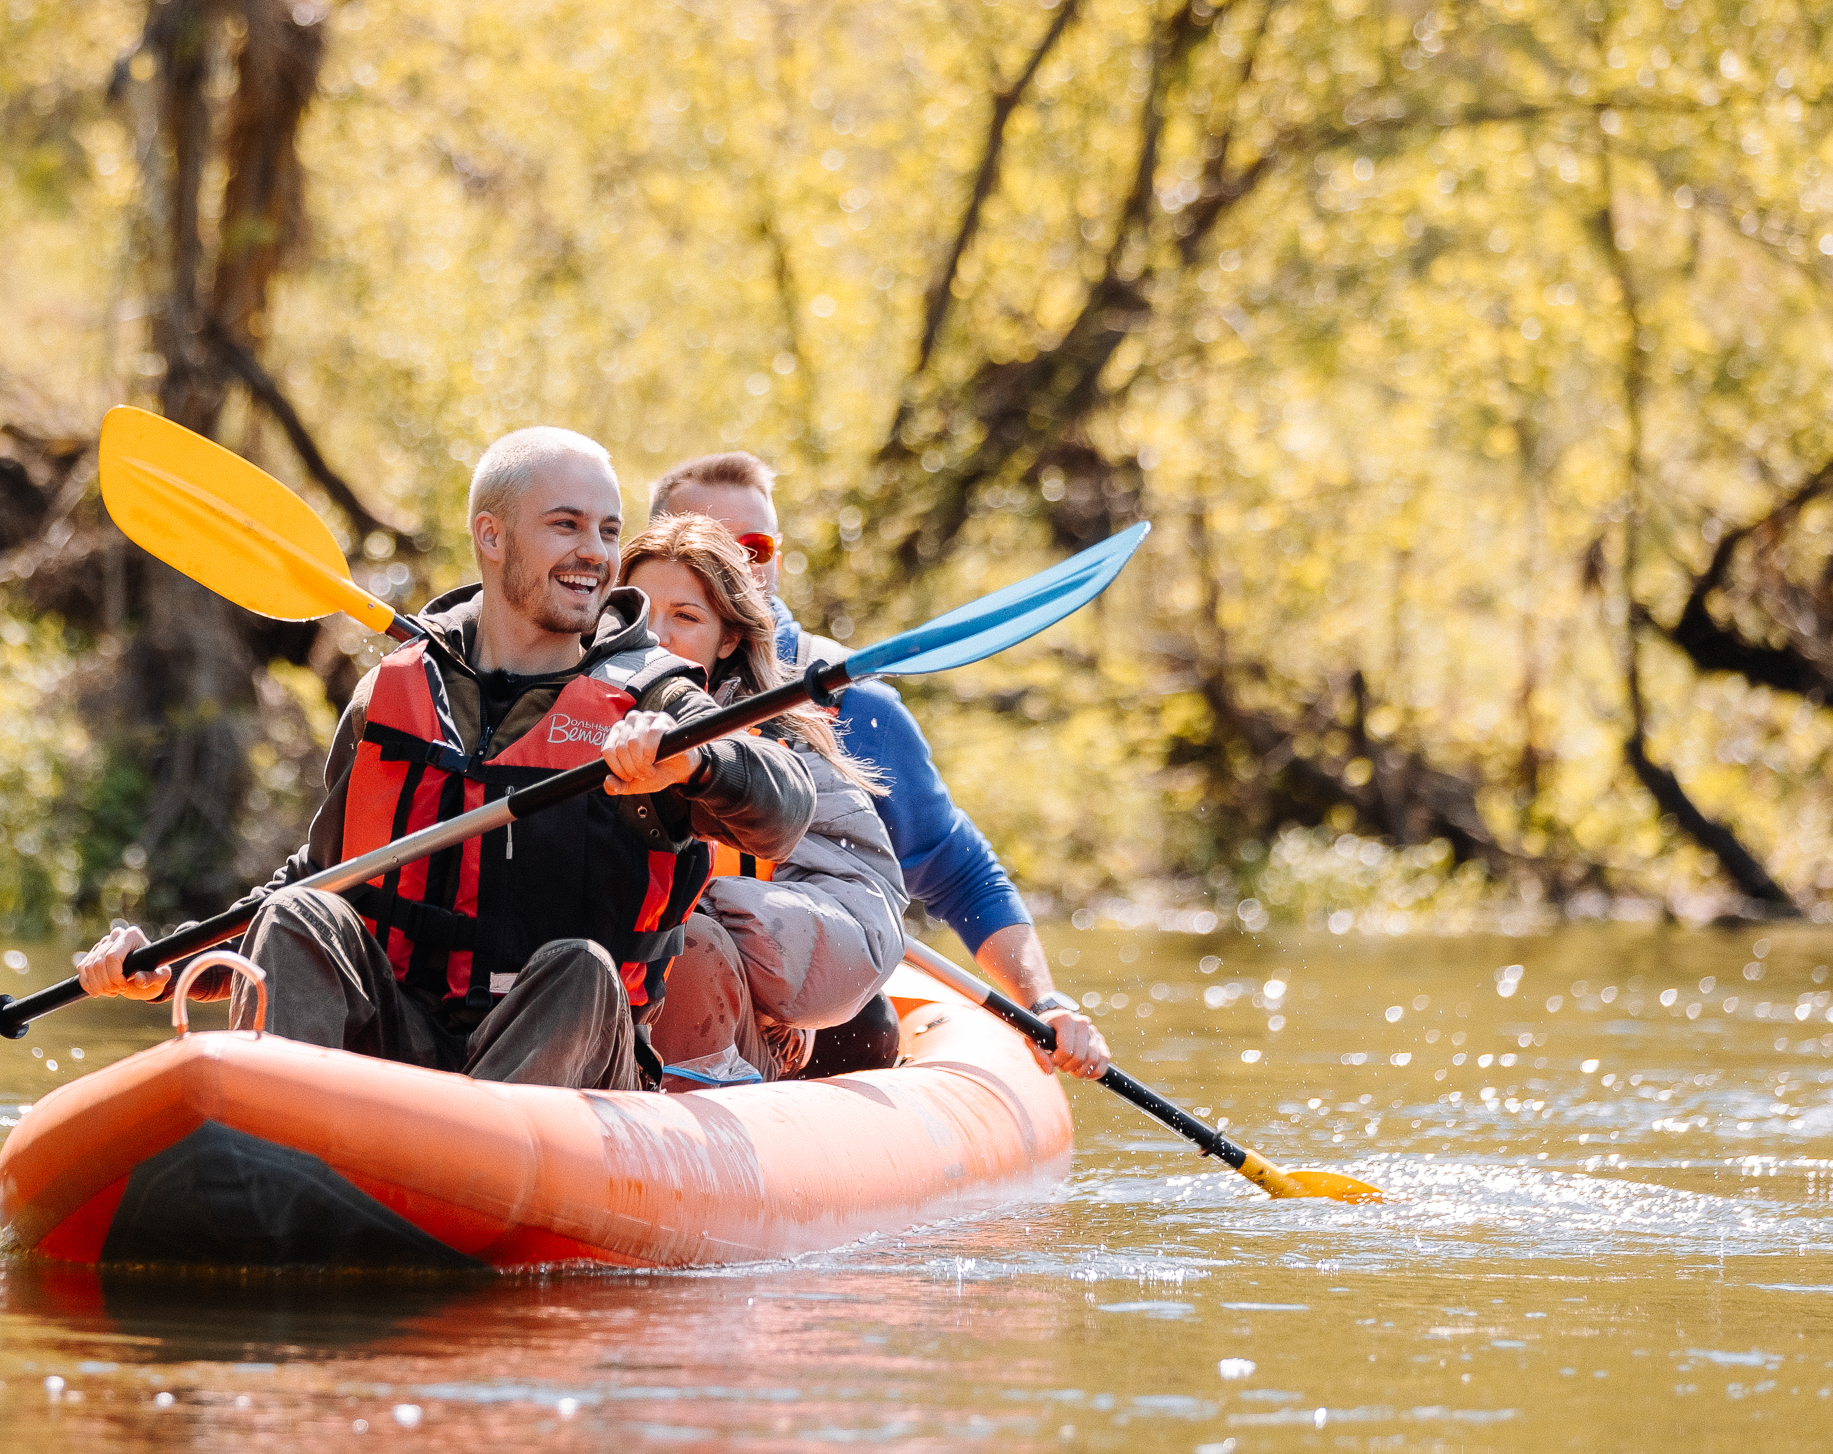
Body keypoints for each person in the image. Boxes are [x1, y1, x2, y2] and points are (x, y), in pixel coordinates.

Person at [74, 426, 814, 1091]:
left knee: (580, 968)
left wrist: (694, 764)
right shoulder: (393, 692)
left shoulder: (655, 695)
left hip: (565, 1064)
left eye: (609, 530)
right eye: (566, 525)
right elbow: (319, 876)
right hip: (405, 1039)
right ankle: (269, 1141)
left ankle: (469, 1177)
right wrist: (168, 964)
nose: (595, 551)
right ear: (491, 537)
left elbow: (783, 808)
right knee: (303, 913)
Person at [649, 451, 1113, 1080]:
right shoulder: (588, 687)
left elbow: (959, 873)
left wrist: (1043, 1001)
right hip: (642, 975)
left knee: (865, 1026)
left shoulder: (851, 705)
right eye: (707, 548)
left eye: (752, 547)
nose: (734, 567)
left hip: (784, 997)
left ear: (776, 560)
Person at [623, 513, 908, 1083]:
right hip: (594, 998)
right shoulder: (564, 714)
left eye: (685, 616)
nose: (656, 635)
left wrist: (749, 956)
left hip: (726, 1008)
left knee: (693, 944)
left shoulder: (784, 746)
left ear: (728, 636)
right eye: (638, 612)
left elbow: (867, 919)